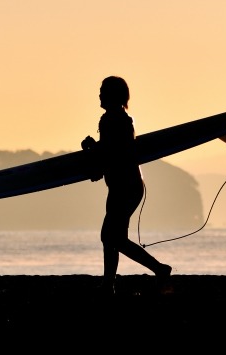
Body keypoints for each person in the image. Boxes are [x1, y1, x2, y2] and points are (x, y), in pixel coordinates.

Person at [82, 76, 172, 296]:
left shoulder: (113, 120)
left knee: (112, 237)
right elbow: (113, 152)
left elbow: (113, 153)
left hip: (125, 186)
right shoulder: (121, 119)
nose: (100, 94)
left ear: (113, 94)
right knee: (112, 237)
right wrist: (96, 153)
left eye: (103, 90)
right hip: (126, 185)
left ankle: (159, 270)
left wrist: (91, 150)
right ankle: (109, 284)